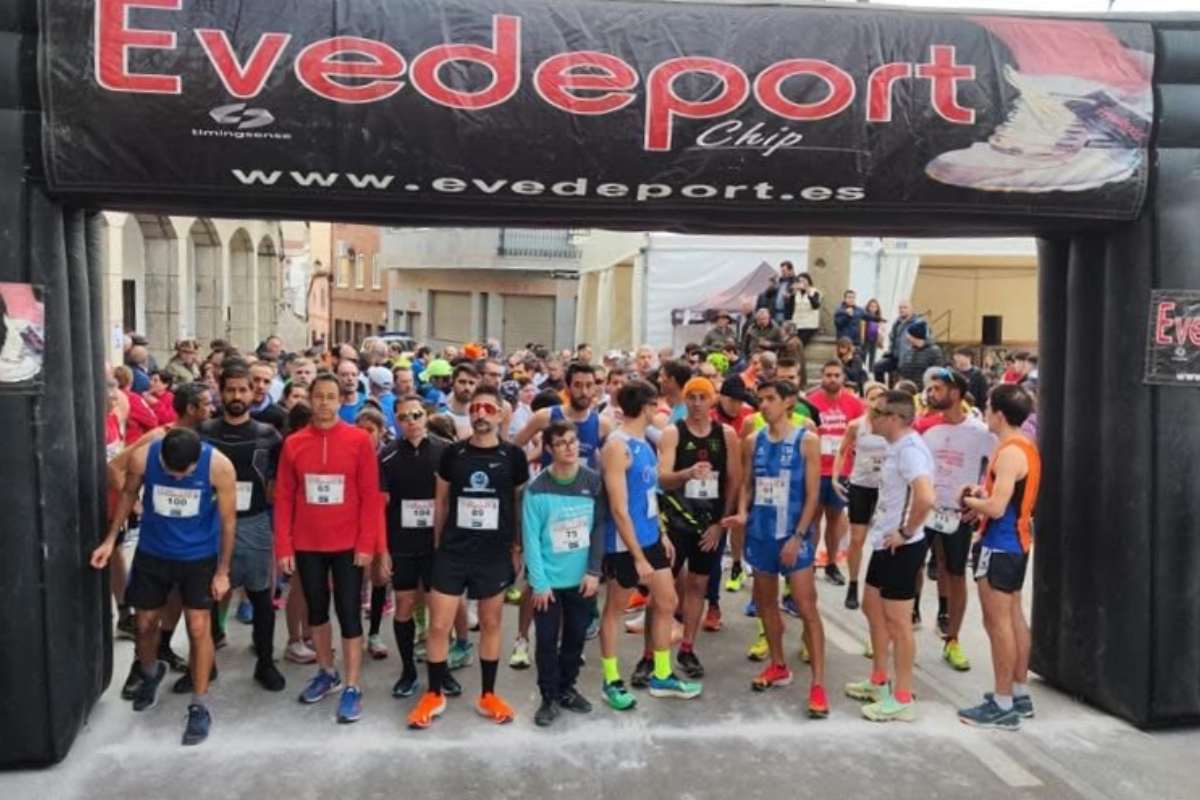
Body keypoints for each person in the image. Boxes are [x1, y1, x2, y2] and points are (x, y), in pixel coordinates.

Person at [90, 427, 237, 746]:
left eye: (184, 473)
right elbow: (128, 494)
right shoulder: (144, 458)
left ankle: (199, 706)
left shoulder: (220, 467)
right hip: (154, 553)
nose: (178, 478)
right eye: (172, 472)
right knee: (144, 625)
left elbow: (227, 522)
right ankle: (149, 670)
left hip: (199, 557)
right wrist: (110, 539)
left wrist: (223, 571)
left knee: (199, 628)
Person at [407, 385, 529, 729]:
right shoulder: (453, 454)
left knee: (491, 624)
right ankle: (433, 694)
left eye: (489, 408)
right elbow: (441, 501)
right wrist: (437, 545)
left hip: (494, 554)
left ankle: (488, 694)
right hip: (453, 552)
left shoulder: (513, 456)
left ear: (502, 414)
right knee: (439, 625)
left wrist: (517, 548)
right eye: (476, 408)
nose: (481, 414)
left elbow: (519, 504)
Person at [274, 372, 382, 724]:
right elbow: (285, 497)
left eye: (330, 396)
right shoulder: (294, 443)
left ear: (340, 400)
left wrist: (367, 544)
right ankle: (326, 671)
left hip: (348, 545)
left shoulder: (358, 440)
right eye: (318, 396)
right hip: (308, 544)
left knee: (350, 614)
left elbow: (370, 497)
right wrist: (284, 546)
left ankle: (352, 686)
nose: (324, 403)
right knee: (317, 613)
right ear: (310, 399)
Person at [726, 379, 827, 716]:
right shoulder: (753, 440)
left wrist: (798, 537)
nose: (763, 405)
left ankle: (818, 685)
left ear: (789, 402)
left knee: (806, 606)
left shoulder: (807, 440)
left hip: (793, 536)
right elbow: (747, 486)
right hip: (761, 534)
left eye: (770, 399)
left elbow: (814, 495)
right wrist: (742, 512)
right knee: (766, 604)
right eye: (760, 399)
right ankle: (778, 664)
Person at [599, 380, 701, 709]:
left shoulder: (645, 443)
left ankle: (661, 674)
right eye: (655, 406)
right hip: (624, 544)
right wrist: (638, 556)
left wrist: (661, 533)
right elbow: (618, 507)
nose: (660, 412)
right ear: (645, 408)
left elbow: (648, 496)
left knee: (667, 601)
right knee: (615, 609)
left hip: (650, 537)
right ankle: (610, 680)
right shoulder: (617, 446)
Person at [844, 390, 935, 723]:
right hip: (886, 542)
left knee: (898, 622)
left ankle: (903, 696)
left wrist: (907, 532)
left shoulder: (911, 451)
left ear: (895, 418)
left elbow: (925, 498)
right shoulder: (894, 446)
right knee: (872, 607)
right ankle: (879, 679)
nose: (872, 416)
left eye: (878, 412)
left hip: (903, 546)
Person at [198, 361, 287, 692]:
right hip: (209, 527)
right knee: (205, 596)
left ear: (254, 392)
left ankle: (265, 662)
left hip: (255, 524)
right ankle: (204, 663)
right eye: (231, 389)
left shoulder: (269, 436)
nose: (237, 395)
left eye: (243, 389)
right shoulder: (203, 432)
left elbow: (279, 484)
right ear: (220, 392)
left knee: (262, 597)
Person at [958, 384, 1041, 730]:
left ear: (1000, 415)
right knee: (1014, 617)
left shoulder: (1009, 452)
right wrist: (984, 494)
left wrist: (970, 501)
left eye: (989, 407)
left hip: (1001, 544)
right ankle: (1018, 693)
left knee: (998, 624)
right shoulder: (1025, 447)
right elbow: (1003, 496)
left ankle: (1003, 702)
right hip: (1015, 543)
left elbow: (995, 506)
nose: (985, 412)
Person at [522, 420, 606, 726]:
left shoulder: (592, 482)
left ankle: (567, 688)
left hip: (582, 580)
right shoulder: (536, 489)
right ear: (548, 449)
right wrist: (539, 584)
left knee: (575, 639)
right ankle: (548, 697)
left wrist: (594, 571)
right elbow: (531, 539)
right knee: (545, 641)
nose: (569, 447)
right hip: (549, 584)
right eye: (561, 443)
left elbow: (598, 528)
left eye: (572, 441)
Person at [658, 377, 741, 680]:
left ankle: (688, 648)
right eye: (690, 397)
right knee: (664, 592)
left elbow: (734, 480)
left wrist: (722, 524)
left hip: (710, 525)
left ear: (712, 400)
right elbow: (663, 478)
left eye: (701, 397)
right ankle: (651, 655)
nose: (696, 403)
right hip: (678, 520)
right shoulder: (673, 433)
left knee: (698, 585)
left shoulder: (726, 434)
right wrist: (687, 473)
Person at [378, 395, 460, 699]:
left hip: (438, 544)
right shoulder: (386, 456)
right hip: (402, 542)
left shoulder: (445, 451)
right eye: (403, 417)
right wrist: (382, 549)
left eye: (416, 415)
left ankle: (443, 671)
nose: (410, 421)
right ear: (396, 421)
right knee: (404, 606)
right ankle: (408, 671)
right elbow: (380, 506)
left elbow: (454, 498)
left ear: (426, 416)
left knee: (440, 609)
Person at [920, 368, 996, 672]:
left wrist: (980, 503)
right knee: (910, 566)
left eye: (938, 389)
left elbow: (993, 470)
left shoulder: (980, 433)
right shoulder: (928, 430)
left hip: (958, 514)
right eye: (931, 388)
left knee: (954, 574)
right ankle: (898, 628)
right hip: (926, 511)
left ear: (956, 393)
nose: (931, 394)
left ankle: (952, 639)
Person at [806, 361, 866, 586]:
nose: (832, 379)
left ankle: (831, 563)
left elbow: (862, 435)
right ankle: (809, 562)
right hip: (816, 468)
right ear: (822, 376)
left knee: (834, 518)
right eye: (828, 374)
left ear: (843, 377)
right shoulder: (811, 401)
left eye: (836, 375)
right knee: (813, 518)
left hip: (841, 470)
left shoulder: (854, 403)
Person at [833, 382, 889, 612]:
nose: (876, 402)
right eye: (872, 397)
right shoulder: (856, 426)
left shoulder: (892, 426)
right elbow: (842, 450)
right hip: (861, 485)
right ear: (865, 400)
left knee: (883, 539)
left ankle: (879, 585)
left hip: (885, 488)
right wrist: (836, 478)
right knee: (857, 538)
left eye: (880, 397)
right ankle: (853, 584)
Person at [872, 301, 927, 384]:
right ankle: (882, 389)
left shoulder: (919, 323)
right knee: (877, 367)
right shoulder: (897, 321)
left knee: (898, 381)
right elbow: (892, 337)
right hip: (895, 356)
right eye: (900, 308)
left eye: (905, 307)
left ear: (911, 309)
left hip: (909, 359)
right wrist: (890, 351)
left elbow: (928, 340)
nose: (902, 310)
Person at [114, 364, 159, 446]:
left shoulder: (107, 396)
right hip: (129, 445)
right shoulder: (133, 398)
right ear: (130, 381)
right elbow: (152, 421)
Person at [897, 321, 945, 388]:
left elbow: (937, 371)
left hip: (924, 388)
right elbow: (902, 369)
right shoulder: (909, 351)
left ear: (914, 336)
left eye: (908, 334)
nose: (906, 336)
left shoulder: (934, 351)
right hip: (908, 387)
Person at [443, 363, 479, 440]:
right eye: (462, 382)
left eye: (471, 383)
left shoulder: (480, 417)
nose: (467, 387)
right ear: (452, 384)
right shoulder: (442, 415)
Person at [249, 361, 287, 434]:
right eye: (256, 380)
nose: (261, 386)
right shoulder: (231, 409)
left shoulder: (280, 416)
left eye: (266, 382)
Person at [790, 272, 823, 347]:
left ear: (808, 281)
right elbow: (791, 307)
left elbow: (816, 306)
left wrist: (809, 294)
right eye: (800, 281)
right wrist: (792, 294)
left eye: (804, 280)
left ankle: (797, 358)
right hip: (797, 324)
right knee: (791, 344)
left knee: (799, 344)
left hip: (809, 325)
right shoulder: (797, 293)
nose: (802, 283)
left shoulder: (815, 292)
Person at [861, 299, 885, 369]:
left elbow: (882, 331)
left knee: (872, 357)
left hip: (874, 340)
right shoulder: (865, 316)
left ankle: (871, 372)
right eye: (871, 306)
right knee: (863, 356)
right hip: (866, 339)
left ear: (877, 308)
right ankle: (863, 372)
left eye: (875, 306)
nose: (873, 308)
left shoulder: (879, 318)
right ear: (868, 307)